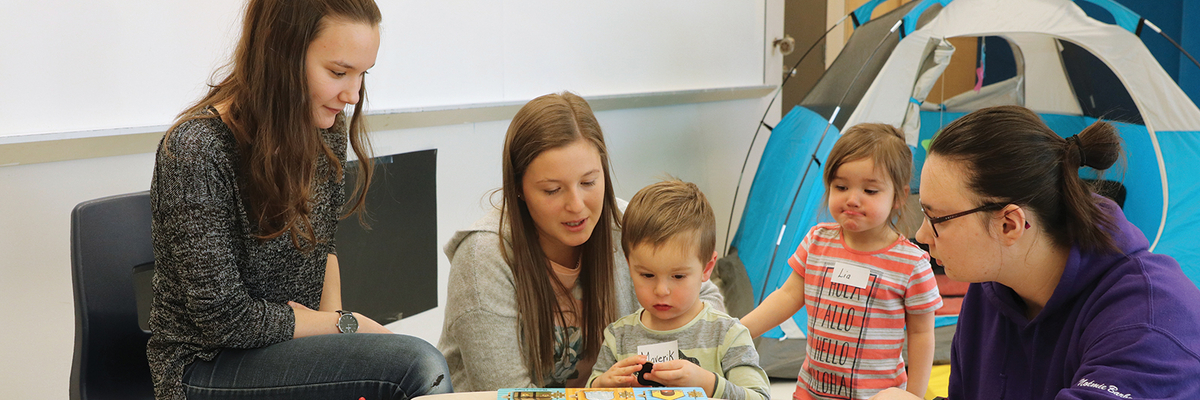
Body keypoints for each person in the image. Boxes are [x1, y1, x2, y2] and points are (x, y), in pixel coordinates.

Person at [147, 1, 452, 399]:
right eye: (339, 72)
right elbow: (224, 320)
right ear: (281, 54)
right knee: (416, 366)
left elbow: (322, 251)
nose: (353, 94)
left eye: (362, 75)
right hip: (205, 367)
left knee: (404, 365)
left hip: (286, 349)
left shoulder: (323, 127)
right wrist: (346, 326)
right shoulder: (197, 149)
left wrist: (343, 343)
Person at [869, 105, 1200, 400]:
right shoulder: (993, 286)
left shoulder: (1149, 324)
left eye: (937, 217)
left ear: (1010, 224)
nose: (921, 234)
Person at [439, 92, 726, 391]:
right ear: (519, 189)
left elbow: (709, 306)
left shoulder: (627, 224)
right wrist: (596, 392)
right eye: (552, 190)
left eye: (589, 182)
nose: (576, 205)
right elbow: (508, 393)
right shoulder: (483, 257)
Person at [740, 123, 942, 400]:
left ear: (899, 196)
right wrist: (739, 331)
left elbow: (921, 334)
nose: (852, 199)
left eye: (870, 191)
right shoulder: (817, 241)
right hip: (810, 392)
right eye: (841, 186)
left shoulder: (911, 264)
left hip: (876, 395)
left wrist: (915, 396)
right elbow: (787, 295)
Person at [588, 179, 771, 400]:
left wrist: (708, 383)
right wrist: (601, 387)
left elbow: (759, 397)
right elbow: (590, 392)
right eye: (647, 275)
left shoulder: (728, 334)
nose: (661, 290)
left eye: (678, 276)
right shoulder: (618, 336)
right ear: (629, 264)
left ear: (707, 268)